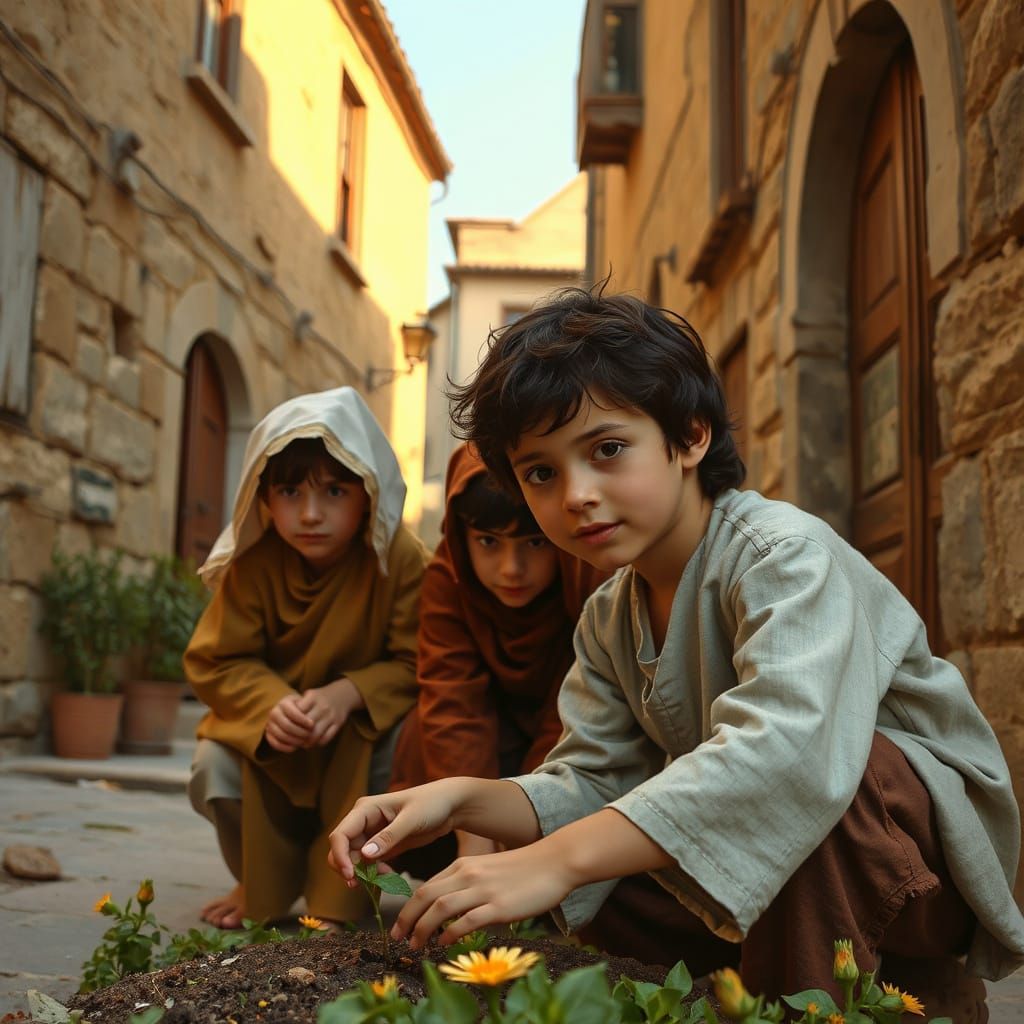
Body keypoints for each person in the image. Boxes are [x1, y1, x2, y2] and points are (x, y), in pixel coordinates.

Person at [328, 289, 1024, 1012]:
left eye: (607, 450)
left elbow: (791, 756)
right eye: (541, 473)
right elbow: (592, 779)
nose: (577, 495)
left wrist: (554, 860)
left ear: (690, 437)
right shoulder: (608, 616)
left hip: (913, 864)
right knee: (607, 871)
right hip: (791, 855)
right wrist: (462, 801)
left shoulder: (783, 556)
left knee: (803, 789)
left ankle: (810, 1002)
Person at [185, 386, 428, 929]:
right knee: (212, 767)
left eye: (335, 491)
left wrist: (348, 695)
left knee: (405, 759)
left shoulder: (400, 560)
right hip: (273, 735)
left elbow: (421, 662)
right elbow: (215, 660)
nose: (311, 514)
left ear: (368, 492)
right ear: (264, 498)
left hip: (361, 735)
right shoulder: (254, 564)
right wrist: (274, 705)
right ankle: (257, 881)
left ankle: (345, 888)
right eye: (291, 491)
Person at [388, 443, 606, 870]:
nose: (511, 568)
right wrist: (476, 837)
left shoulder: (590, 580)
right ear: (459, 535)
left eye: (535, 542)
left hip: (567, 746)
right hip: (475, 755)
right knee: (420, 735)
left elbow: (580, 706)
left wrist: (523, 824)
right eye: (488, 541)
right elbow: (452, 700)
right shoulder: (447, 579)